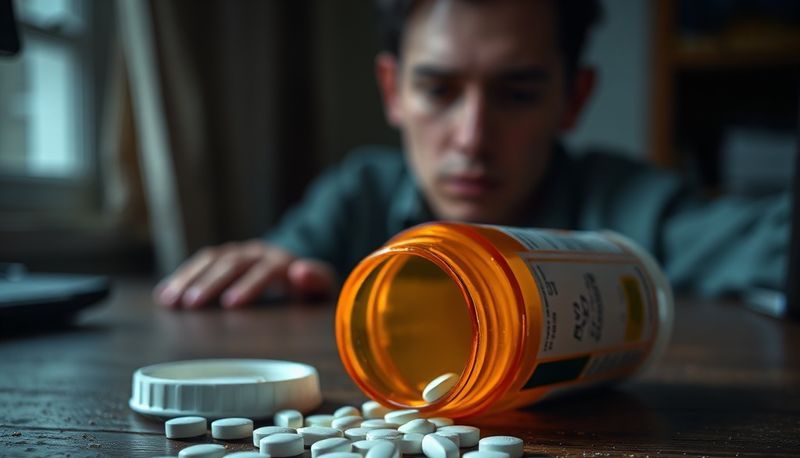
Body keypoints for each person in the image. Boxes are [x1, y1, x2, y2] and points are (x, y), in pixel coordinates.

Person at [154, 0, 790, 309]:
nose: (472, 139)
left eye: (517, 94)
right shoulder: (357, 194)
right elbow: (280, 263)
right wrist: (264, 277)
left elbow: (773, 243)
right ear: (392, 91)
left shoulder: (632, 208)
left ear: (574, 98)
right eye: (439, 91)